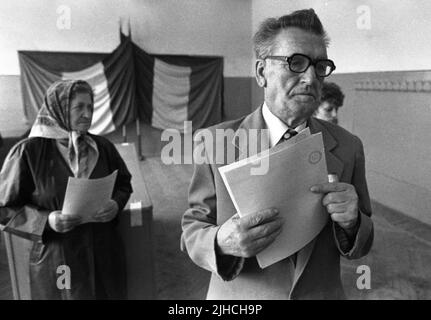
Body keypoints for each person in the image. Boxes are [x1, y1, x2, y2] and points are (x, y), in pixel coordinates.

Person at [181, 9, 373, 299]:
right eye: (295, 63)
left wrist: (353, 222)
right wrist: (222, 241)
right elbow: (192, 230)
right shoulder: (215, 142)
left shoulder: (348, 146)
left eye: (320, 66)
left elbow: (364, 240)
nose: (310, 78)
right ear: (261, 73)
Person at [0, 80, 132, 299]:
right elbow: (5, 208)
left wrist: (115, 204)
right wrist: (46, 220)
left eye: (90, 107)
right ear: (58, 109)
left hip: (103, 253)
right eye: (79, 107)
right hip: (57, 259)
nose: (87, 114)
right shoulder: (29, 152)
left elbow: (124, 183)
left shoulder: (102, 147)